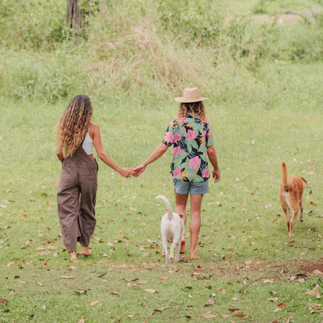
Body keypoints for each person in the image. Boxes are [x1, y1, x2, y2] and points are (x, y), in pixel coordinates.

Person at [135, 88, 220, 259]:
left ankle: (179, 238)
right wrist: (216, 168)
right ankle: (193, 252)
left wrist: (144, 163)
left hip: (180, 172)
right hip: (200, 171)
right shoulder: (205, 124)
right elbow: (210, 151)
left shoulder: (176, 123)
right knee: (195, 212)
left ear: (183, 104)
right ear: (199, 105)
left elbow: (163, 146)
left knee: (180, 208)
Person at [56, 95, 135, 262]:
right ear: (88, 111)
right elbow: (102, 154)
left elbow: (58, 152)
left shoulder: (64, 126)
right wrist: (120, 169)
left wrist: (65, 163)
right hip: (88, 171)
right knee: (87, 206)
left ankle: (73, 254)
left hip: (69, 170)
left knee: (68, 211)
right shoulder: (93, 128)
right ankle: (85, 248)